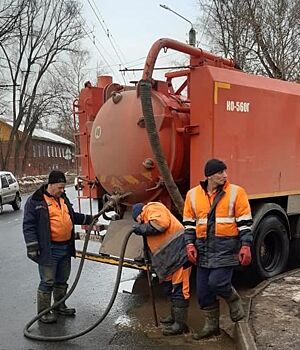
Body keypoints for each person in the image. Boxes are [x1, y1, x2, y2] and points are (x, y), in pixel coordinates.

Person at [183, 159, 253, 340]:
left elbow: (245, 223)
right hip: (203, 249)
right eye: (221, 172)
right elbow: (189, 224)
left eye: (225, 171)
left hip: (226, 248)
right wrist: (189, 244)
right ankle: (212, 327)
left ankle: (233, 299)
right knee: (204, 292)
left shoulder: (236, 193)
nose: (225, 175)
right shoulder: (192, 195)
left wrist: (246, 245)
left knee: (218, 283)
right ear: (210, 176)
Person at [23, 170, 94, 324]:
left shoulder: (62, 198)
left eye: (63, 188)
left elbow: (72, 216)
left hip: (65, 247)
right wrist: (32, 246)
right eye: (60, 187)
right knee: (48, 281)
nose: (63, 190)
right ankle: (44, 313)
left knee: (62, 279)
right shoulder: (36, 201)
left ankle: (59, 306)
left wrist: (89, 219)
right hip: (49, 249)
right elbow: (28, 225)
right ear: (51, 184)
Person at [132, 202, 192, 336]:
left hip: (179, 255)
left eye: (137, 220)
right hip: (170, 260)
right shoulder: (146, 218)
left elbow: (161, 225)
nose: (139, 223)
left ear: (138, 214)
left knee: (180, 289)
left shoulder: (152, 208)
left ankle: (180, 325)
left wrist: (141, 228)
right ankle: (174, 316)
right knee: (169, 288)